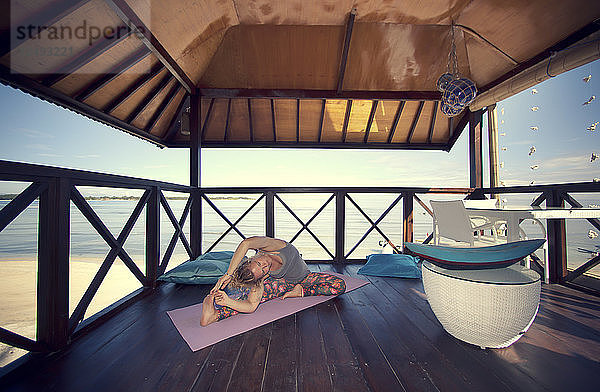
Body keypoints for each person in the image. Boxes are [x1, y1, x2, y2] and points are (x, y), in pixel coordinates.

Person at [200, 236, 346, 326]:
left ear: (252, 258)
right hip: (284, 284)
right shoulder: (264, 275)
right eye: (263, 270)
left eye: (259, 264)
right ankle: (214, 315)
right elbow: (251, 306)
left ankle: (301, 291)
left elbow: (246, 243)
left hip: (306, 278)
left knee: (339, 285)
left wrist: (229, 274)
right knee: (246, 298)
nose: (265, 266)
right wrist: (228, 301)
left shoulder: (274, 246)